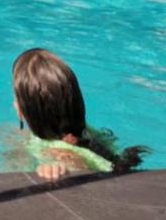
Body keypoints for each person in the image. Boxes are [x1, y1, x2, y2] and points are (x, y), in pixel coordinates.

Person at [12, 48, 147, 180]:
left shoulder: (62, 155)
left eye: (16, 97)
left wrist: (59, 170)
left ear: (23, 111)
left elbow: (81, 177)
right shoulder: (78, 132)